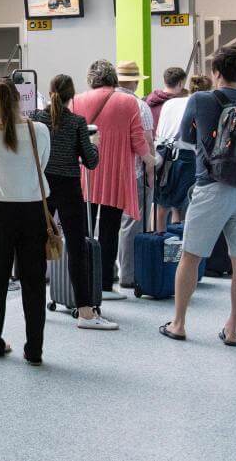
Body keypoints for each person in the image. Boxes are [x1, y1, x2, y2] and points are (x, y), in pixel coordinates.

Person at [162, 47, 236, 346]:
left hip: (211, 186)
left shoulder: (201, 99)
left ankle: (179, 323)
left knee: (191, 255)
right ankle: (233, 328)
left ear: (216, 73)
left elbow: (185, 139)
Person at [0, 78, 52, 366]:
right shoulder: (39, 130)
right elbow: (41, 164)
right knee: (34, 283)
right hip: (32, 212)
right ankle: (34, 350)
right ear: (20, 98)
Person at [31, 75, 116, 330]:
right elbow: (91, 162)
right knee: (77, 248)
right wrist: (95, 145)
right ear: (72, 96)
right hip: (69, 187)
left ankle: (33, 306)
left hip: (42, 187)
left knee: (35, 245)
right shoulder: (77, 123)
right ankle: (85, 312)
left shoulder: (37, 118)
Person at [71, 60, 151, 300]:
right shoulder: (128, 102)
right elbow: (138, 139)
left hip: (85, 171)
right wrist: (150, 161)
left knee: (84, 229)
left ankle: (84, 280)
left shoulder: (77, 100)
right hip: (116, 173)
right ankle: (105, 282)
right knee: (110, 228)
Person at [113, 60, 157, 293]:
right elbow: (147, 141)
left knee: (108, 222)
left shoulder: (103, 100)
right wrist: (151, 171)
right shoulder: (139, 105)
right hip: (134, 172)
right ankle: (128, 274)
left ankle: (107, 270)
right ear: (133, 81)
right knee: (132, 221)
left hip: (105, 172)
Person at [154, 75, 211, 228]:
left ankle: (159, 241)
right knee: (184, 205)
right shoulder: (204, 105)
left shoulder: (170, 103)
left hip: (164, 153)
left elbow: (160, 131)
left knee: (162, 204)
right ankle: (178, 243)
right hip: (188, 157)